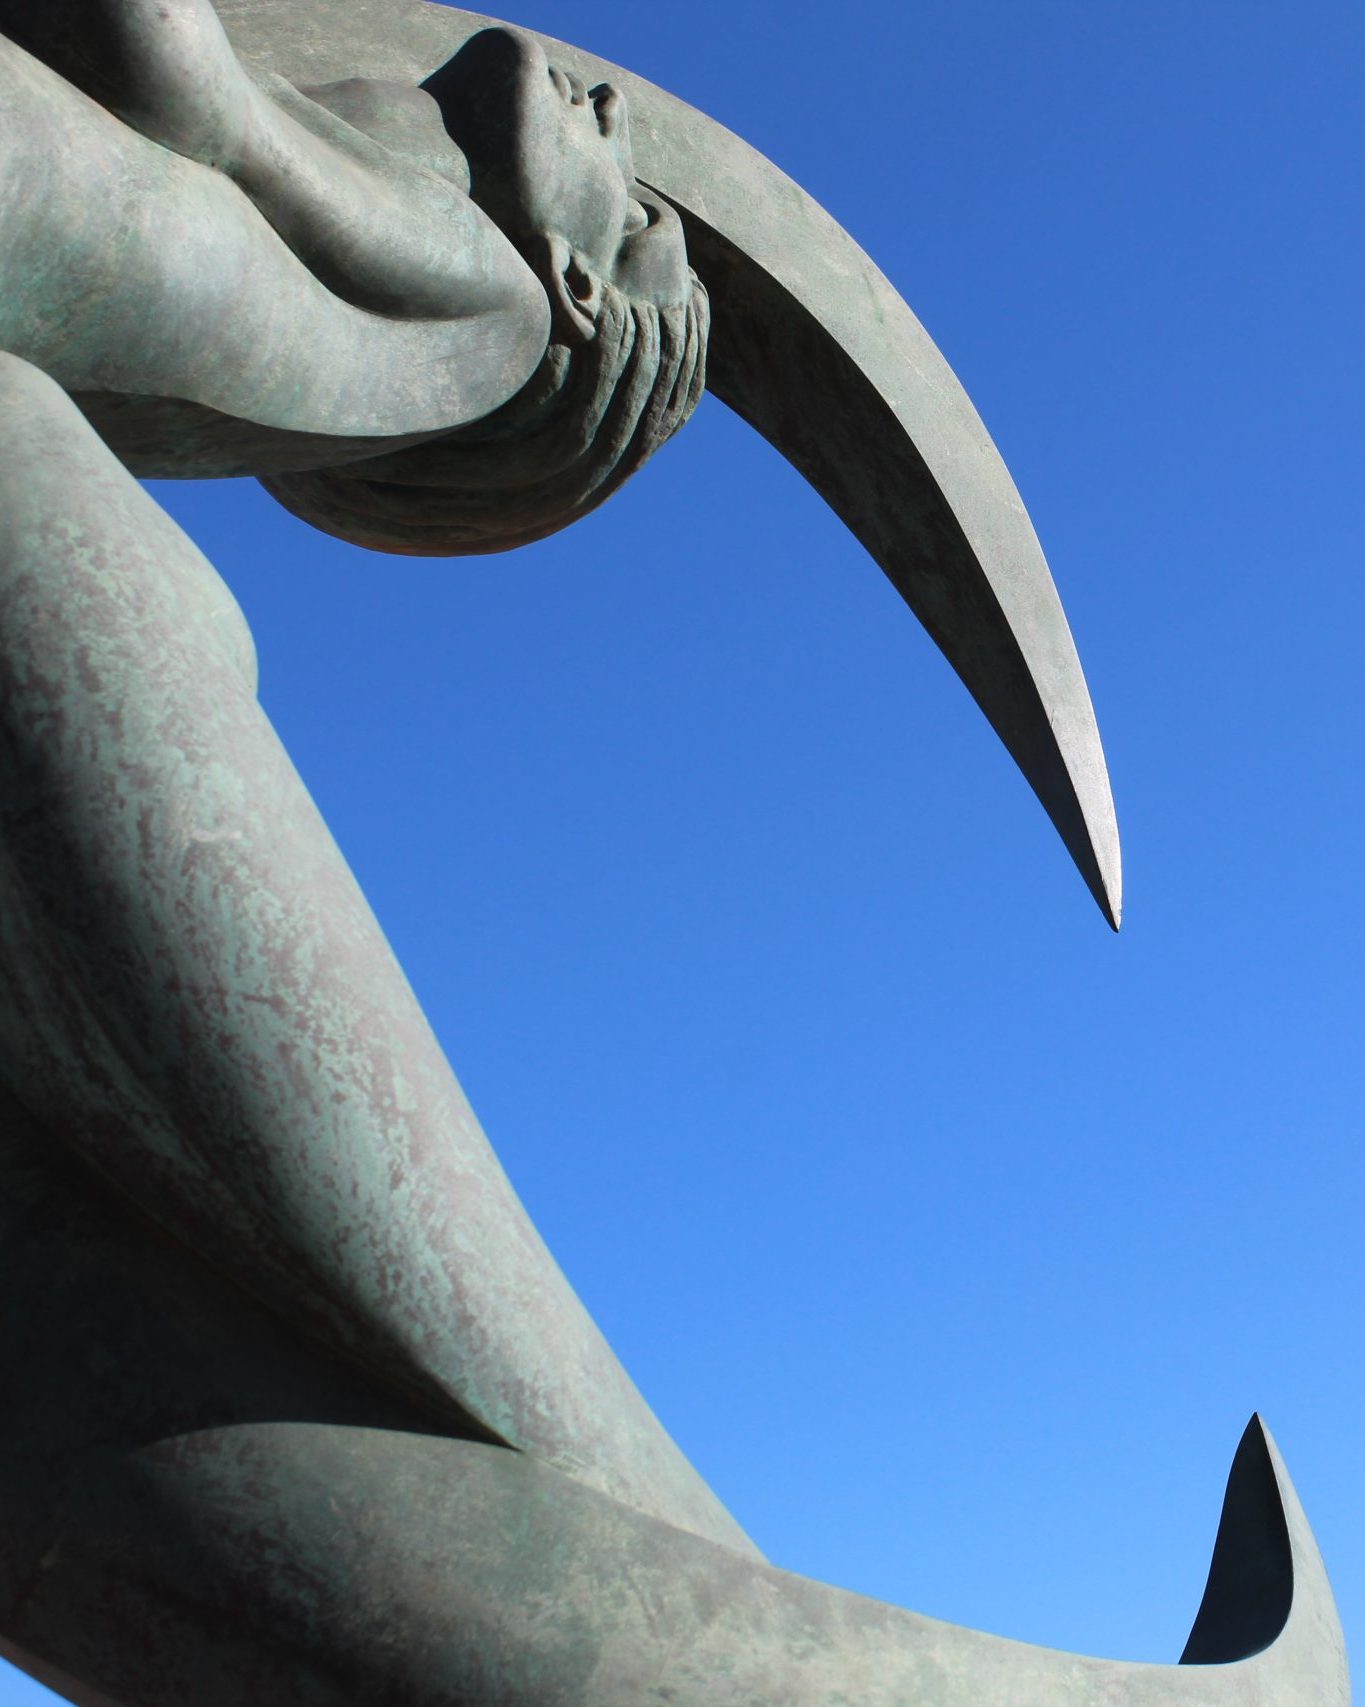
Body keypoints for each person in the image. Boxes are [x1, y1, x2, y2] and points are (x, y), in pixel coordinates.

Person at [0, 0, 742, 1569]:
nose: (612, 107)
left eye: (644, 204)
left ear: (585, 282)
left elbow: (192, 101)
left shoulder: (482, 314)